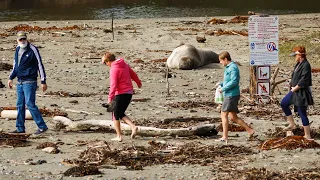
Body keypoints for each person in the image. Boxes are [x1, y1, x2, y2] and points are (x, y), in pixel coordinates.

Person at [8, 31, 48, 135]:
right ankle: (20, 128)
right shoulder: (17, 49)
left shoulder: (33, 49)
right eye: (20, 39)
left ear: (26, 39)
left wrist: (43, 81)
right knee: (20, 105)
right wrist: (11, 77)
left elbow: (40, 65)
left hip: (30, 81)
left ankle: (42, 127)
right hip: (19, 81)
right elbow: (15, 65)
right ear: (17, 40)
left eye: (24, 39)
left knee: (30, 104)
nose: (22, 41)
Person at [101, 52, 142, 142]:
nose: (106, 65)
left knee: (115, 114)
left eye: (105, 63)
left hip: (120, 93)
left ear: (108, 61)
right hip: (129, 93)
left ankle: (119, 136)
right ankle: (133, 127)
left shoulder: (114, 69)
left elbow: (113, 85)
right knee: (120, 113)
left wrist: (109, 99)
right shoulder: (124, 64)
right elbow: (133, 74)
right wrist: (138, 82)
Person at [216, 51, 254, 143]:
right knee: (233, 117)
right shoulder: (228, 67)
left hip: (231, 95)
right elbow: (228, 80)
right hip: (230, 94)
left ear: (225, 59)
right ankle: (250, 130)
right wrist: (221, 84)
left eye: (221, 61)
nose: (220, 63)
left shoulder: (233, 68)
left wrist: (223, 88)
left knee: (223, 114)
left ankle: (225, 136)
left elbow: (234, 82)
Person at [280, 46, 313, 140]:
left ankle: (307, 135)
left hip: (301, 92)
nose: (295, 57)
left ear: (300, 55)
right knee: (284, 103)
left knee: (302, 112)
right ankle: (292, 124)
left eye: (296, 55)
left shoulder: (306, 65)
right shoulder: (298, 64)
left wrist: (294, 88)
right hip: (294, 91)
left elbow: (304, 80)